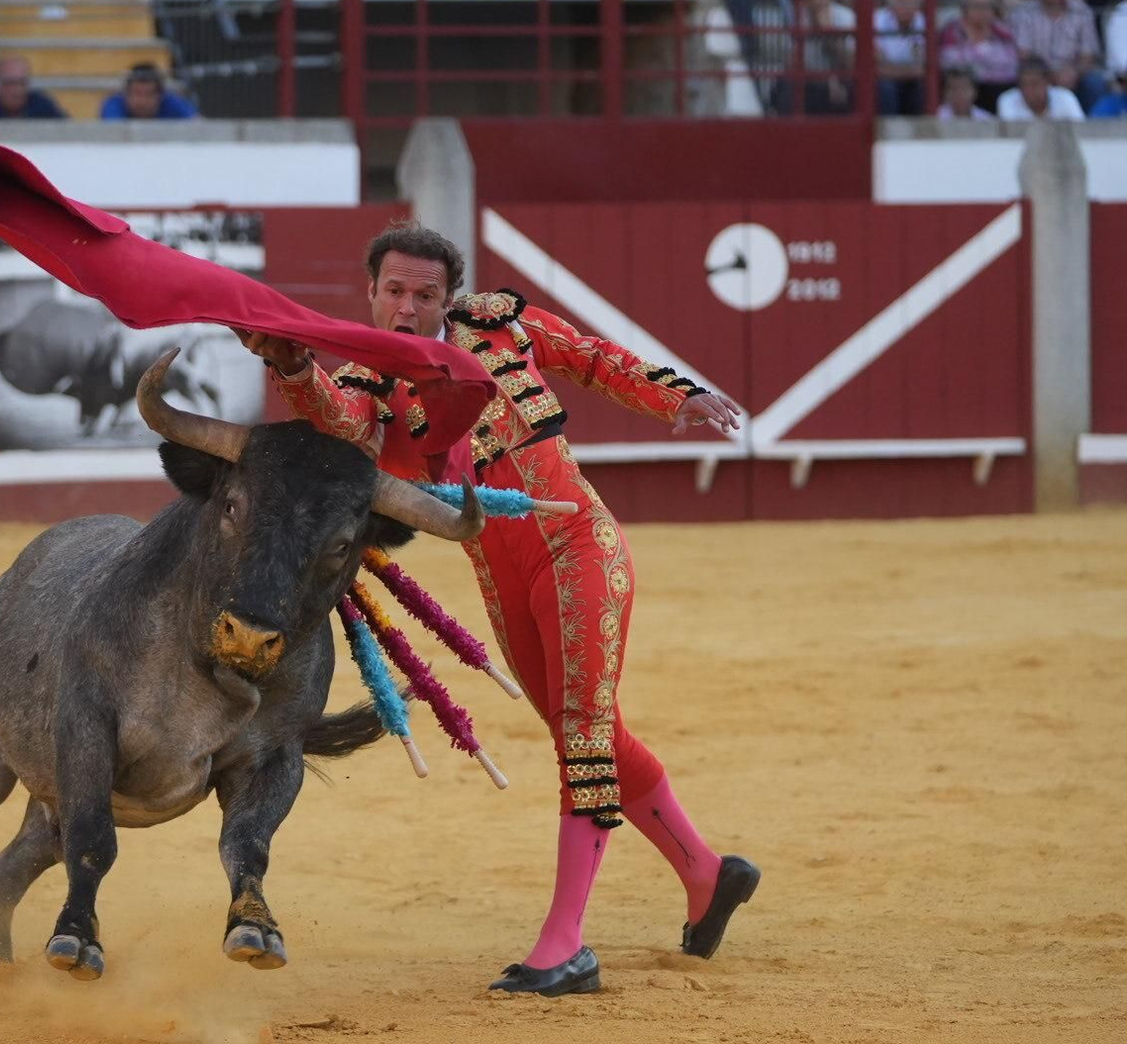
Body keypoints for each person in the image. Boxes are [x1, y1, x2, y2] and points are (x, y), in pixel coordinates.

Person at [235, 223, 758, 996]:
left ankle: (566, 944)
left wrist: (675, 395)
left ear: (447, 299)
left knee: (582, 733)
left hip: (579, 546)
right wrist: (291, 363)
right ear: (371, 294)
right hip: (500, 575)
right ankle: (708, 874)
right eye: (394, 292)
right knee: (590, 729)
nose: (407, 307)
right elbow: (340, 420)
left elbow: (592, 358)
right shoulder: (373, 378)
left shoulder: (499, 324)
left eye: (423, 295)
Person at [1007, 0, 1109, 112]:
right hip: (1037, 73)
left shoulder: (1082, 12)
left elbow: (1088, 55)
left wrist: (1074, 72)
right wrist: (1050, 75)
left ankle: (1092, 129)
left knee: (1095, 82)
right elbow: (1024, 55)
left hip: (1073, 75)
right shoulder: (1022, 13)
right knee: (1021, 77)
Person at [0, 53, 66, 119]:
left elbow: (67, 132)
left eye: (22, 83)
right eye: (10, 83)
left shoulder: (43, 106)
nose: (17, 90)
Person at [996, 54, 1086, 118]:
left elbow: (1080, 132)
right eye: (1024, 85)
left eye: (1034, 84)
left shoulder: (1066, 98)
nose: (1028, 90)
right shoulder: (1007, 100)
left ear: (1047, 83)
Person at [99, 61, 197, 119]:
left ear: (160, 96)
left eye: (148, 94)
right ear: (126, 94)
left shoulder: (173, 104)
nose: (142, 101)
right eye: (137, 94)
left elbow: (197, 125)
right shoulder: (113, 105)